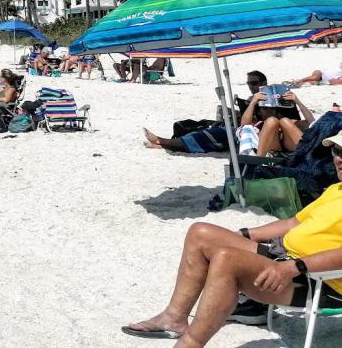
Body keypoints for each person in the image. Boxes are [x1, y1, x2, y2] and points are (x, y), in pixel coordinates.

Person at [122, 135, 342, 345]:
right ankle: (174, 318)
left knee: (228, 259)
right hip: (287, 259)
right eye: (337, 150)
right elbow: (294, 222)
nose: (339, 158)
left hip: (319, 281)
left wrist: (292, 267)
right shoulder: (336, 190)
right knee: (201, 233)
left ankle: (190, 344)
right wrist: (246, 234)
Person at [143, 71, 301, 153]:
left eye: (254, 83)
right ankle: (165, 143)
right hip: (245, 132)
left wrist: (293, 101)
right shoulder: (252, 99)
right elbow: (244, 124)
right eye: (248, 83)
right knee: (206, 130)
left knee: (215, 134)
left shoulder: (280, 98)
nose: (251, 86)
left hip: (256, 137)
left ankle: (163, 142)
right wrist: (250, 103)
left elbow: (295, 123)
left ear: (264, 83)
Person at [241, 74, 315, 156]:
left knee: (284, 121)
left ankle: (311, 157)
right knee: (271, 121)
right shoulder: (258, 125)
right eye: (265, 108)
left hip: (290, 146)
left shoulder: (286, 122)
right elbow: (244, 126)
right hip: (271, 146)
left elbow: (312, 123)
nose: (270, 110)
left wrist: (297, 101)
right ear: (258, 112)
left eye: (273, 108)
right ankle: (259, 160)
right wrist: (253, 103)